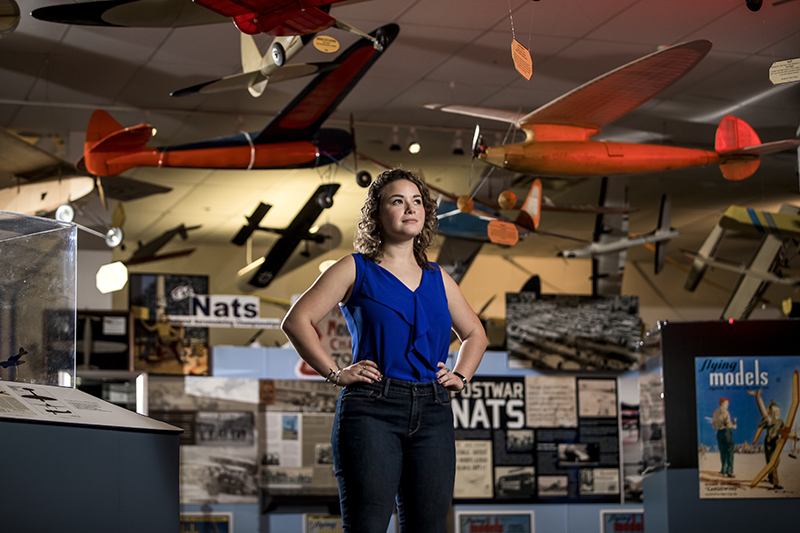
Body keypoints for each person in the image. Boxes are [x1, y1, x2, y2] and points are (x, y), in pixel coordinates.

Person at [281, 169, 487, 532]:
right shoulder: (354, 268)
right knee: (368, 527)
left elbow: (475, 333)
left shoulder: (440, 277)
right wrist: (336, 372)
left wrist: (461, 375)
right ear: (377, 214)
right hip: (370, 411)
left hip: (433, 411)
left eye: (417, 201)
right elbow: (297, 321)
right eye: (397, 201)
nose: (410, 208)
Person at [711, 398, 737, 477]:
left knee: (723, 452)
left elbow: (714, 426)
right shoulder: (725, 412)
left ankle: (723, 470)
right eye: (727, 402)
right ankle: (730, 471)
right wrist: (734, 425)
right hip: (726, 433)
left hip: (719, 433)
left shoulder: (715, 412)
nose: (728, 404)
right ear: (723, 403)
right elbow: (729, 425)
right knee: (729, 451)